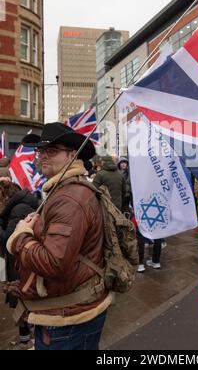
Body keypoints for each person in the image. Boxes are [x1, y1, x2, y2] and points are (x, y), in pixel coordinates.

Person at [4, 123, 112, 350]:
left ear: (73, 155)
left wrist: (20, 236)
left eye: (52, 151)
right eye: (41, 151)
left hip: (68, 321)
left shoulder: (69, 198)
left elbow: (53, 262)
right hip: (69, 310)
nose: (43, 157)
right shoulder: (64, 190)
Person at [0, 179, 39, 349]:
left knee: (23, 297)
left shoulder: (18, 209)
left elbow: (10, 240)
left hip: (19, 263)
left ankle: (25, 339)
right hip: (25, 261)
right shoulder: (23, 204)